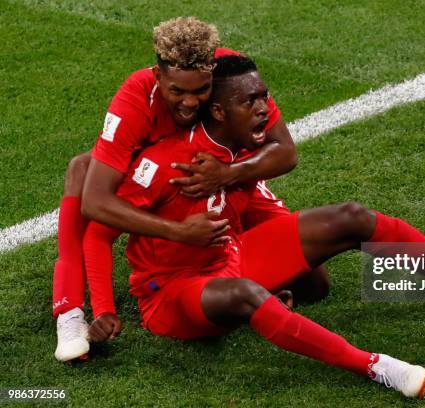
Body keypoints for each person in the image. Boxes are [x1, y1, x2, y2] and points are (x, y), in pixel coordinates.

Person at [84, 55, 425, 399]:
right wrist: (103, 306)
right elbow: (97, 228)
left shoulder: (242, 153)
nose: (265, 110)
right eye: (251, 102)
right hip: (173, 293)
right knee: (247, 296)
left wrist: (234, 184)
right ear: (219, 112)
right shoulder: (165, 161)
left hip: (232, 257)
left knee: (348, 223)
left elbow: (283, 160)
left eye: (264, 96)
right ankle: (376, 366)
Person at [52, 17, 330, 362]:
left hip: (231, 182)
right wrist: (177, 231)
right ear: (158, 77)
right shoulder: (135, 99)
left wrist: (228, 174)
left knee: (316, 286)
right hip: (167, 182)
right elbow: (96, 204)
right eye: (177, 92)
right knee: (82, 167)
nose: (189, 103)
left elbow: (286, 152)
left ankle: (246, 282)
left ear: (212, 74)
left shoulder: (232, 72)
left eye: (200, 91)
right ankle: (70, 313)